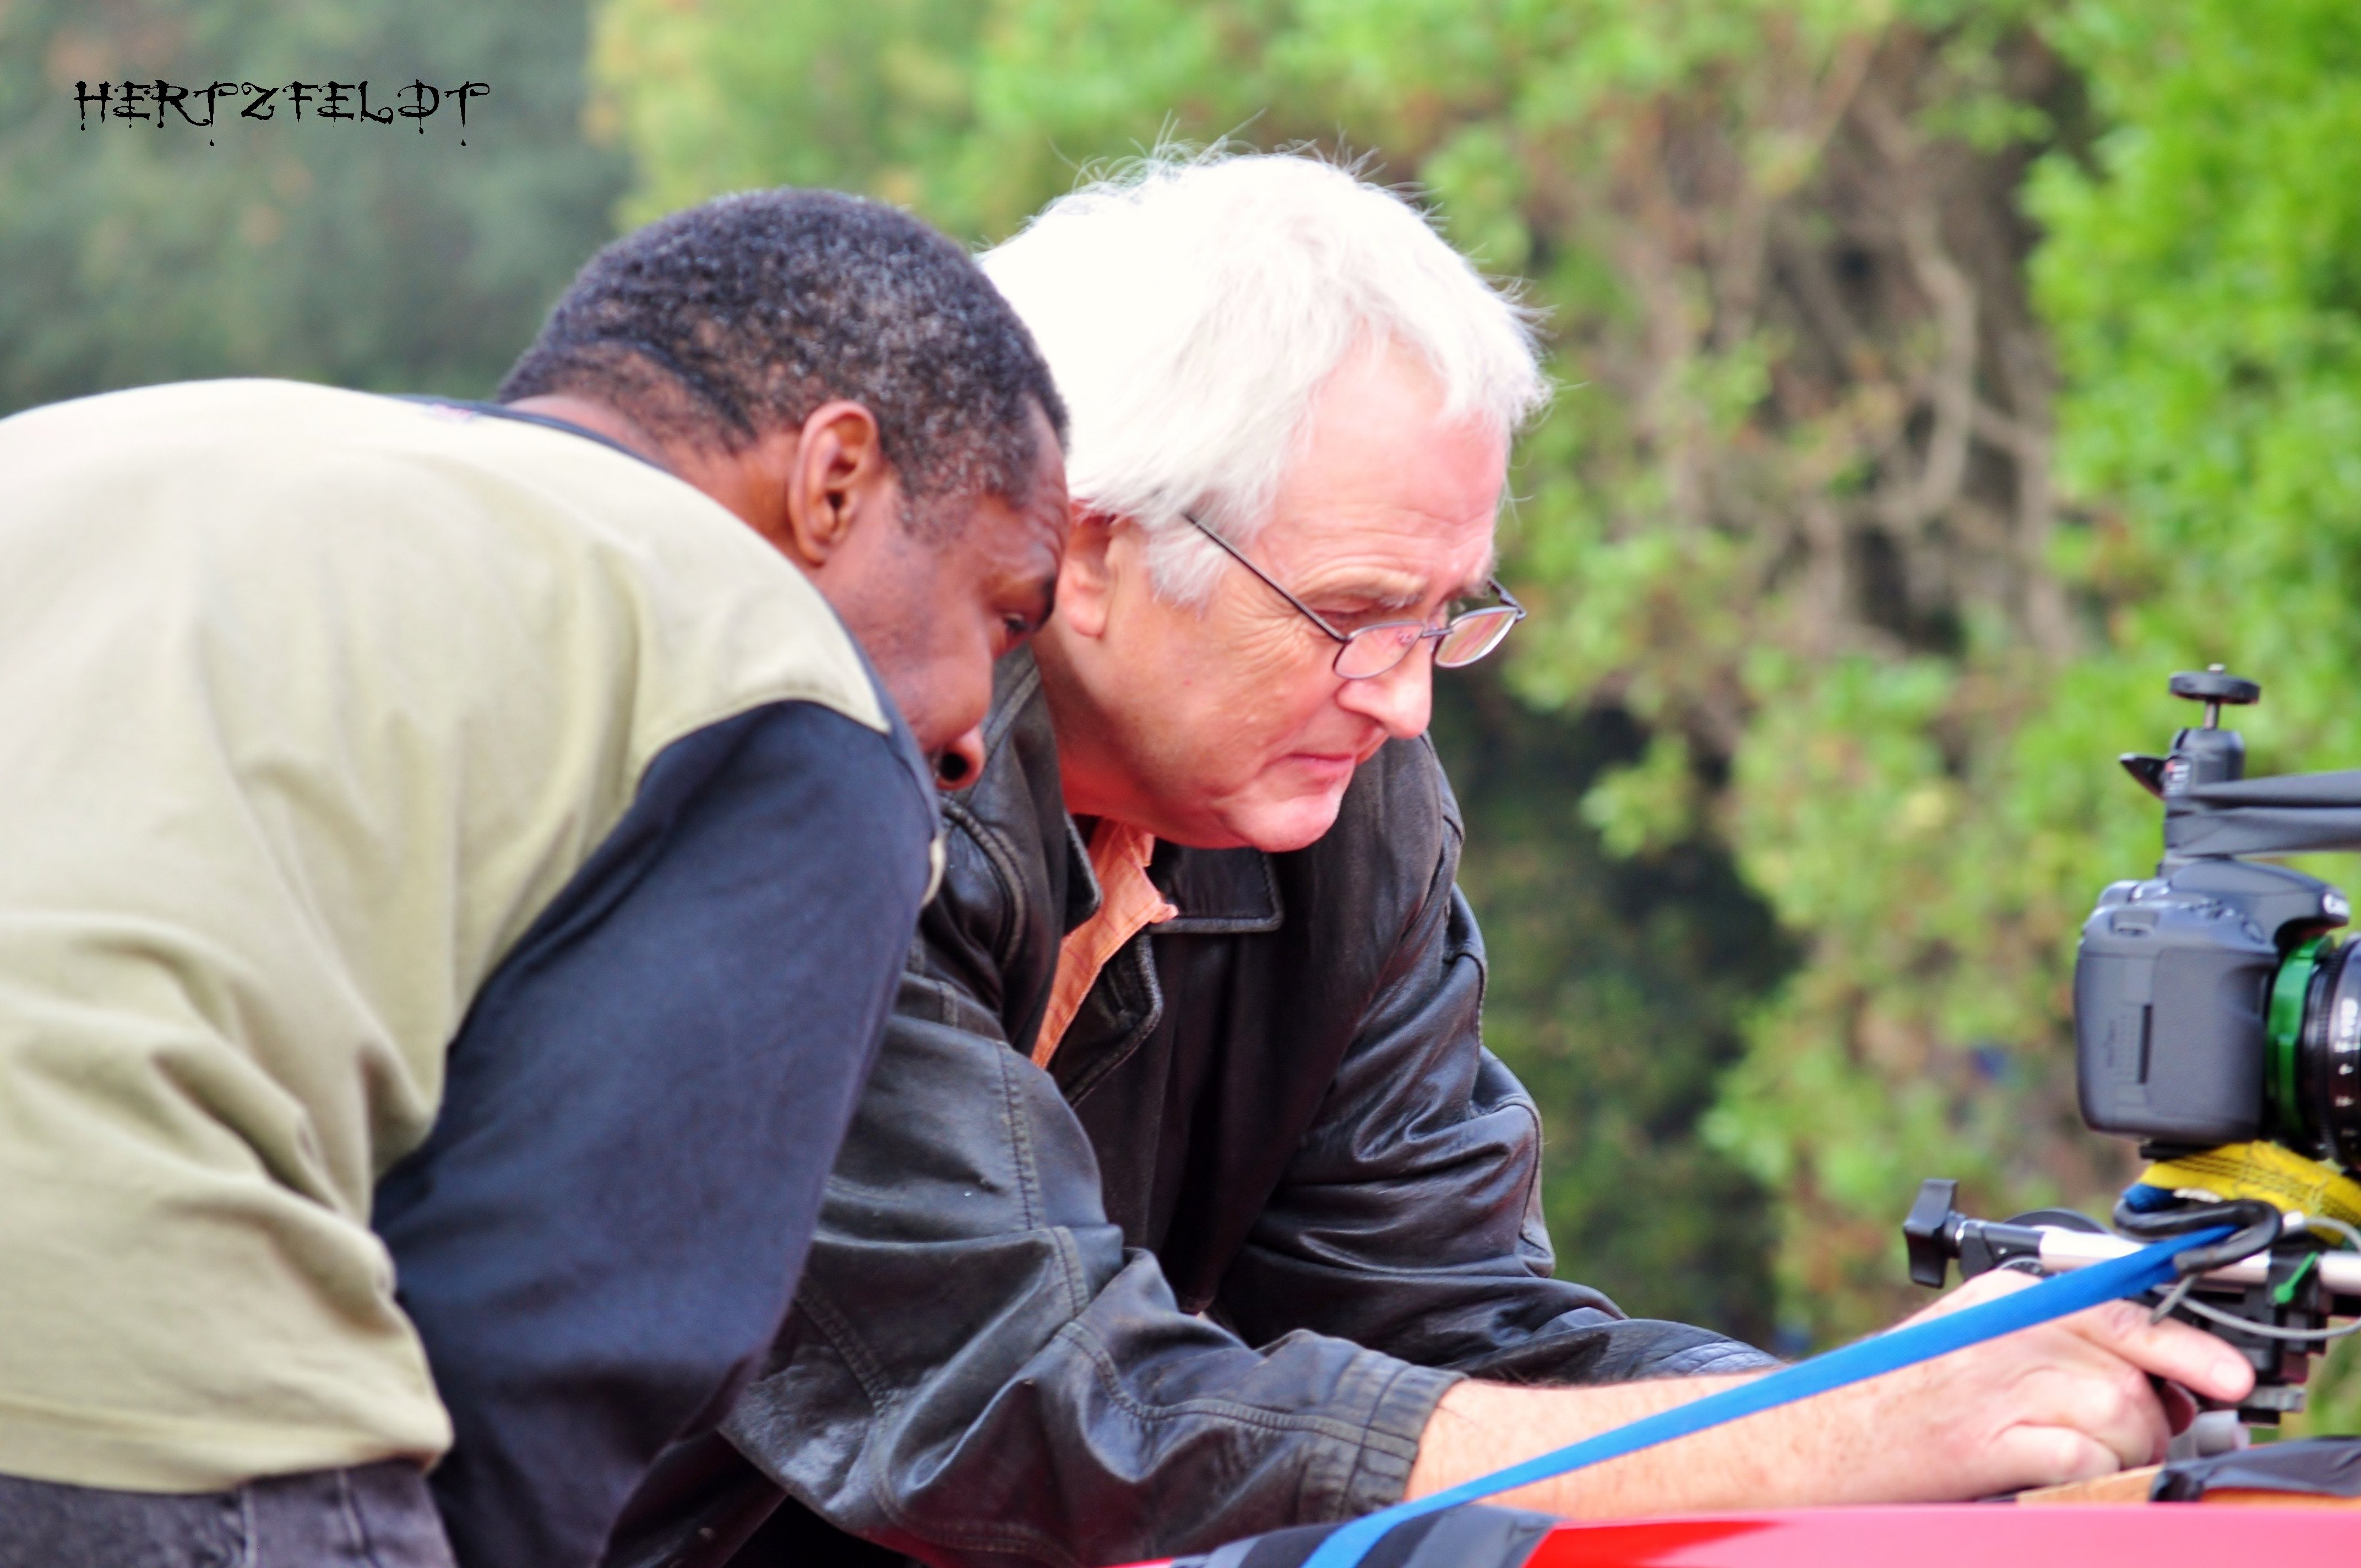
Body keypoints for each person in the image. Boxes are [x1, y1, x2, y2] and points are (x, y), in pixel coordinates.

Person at [606, 155, 2257, 1568]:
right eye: (1354, 613)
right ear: (1094, 550)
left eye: (1449, 613)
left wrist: (1963, 1404)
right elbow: (1021, 1399)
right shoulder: (799, 778)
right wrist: (1833, 1436)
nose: (1403, 700)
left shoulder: (1337, 800)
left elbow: (1456, 1334)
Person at [0, 188, 1068, 1568]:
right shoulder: (781, 683)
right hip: (138, 1408)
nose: (981, 731)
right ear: (837, 478)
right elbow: (554, 1342)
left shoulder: (87, 447)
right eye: (1004, 611)